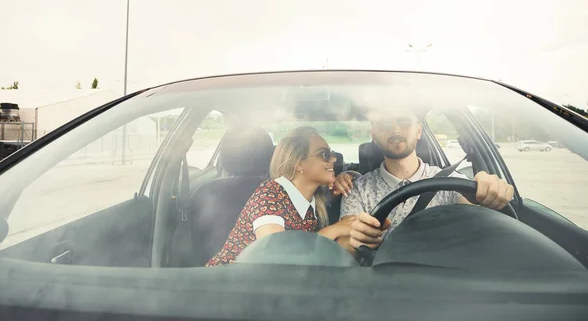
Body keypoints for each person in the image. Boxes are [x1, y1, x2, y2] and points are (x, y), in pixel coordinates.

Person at [331, 106, 515, 254]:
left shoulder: (451, 181)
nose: (395, 130)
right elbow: (345, 239)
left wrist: (488, 194)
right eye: (385, 124)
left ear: (418, 130)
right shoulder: (358, 189)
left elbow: (475, 213)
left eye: (404, 122)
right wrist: (356, 241)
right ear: (374, 135)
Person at [206, 126, 355, 266]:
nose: (334, 159)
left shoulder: (316, 197)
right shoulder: (270, 194)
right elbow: (275, 255)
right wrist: (334, 230)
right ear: (299, 163)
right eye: (324, 154)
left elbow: (362, 182)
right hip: (224, 284)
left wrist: (347, 176)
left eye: (332, 154)